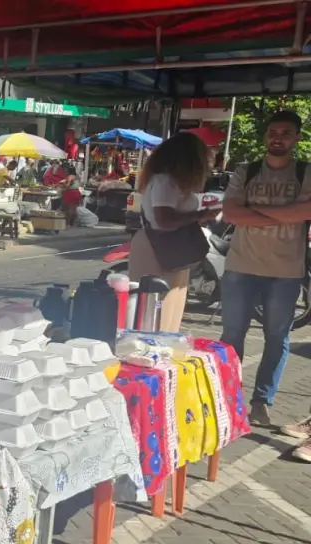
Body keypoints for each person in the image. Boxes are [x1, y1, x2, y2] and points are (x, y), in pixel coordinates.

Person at [219, 110, 311, 437]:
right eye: (273, 131)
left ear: (296, 137)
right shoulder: (247, 171)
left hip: (285, 272)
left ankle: (261, 401)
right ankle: (228, 399)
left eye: (286, 132)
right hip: (241, 267)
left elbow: (306, 211)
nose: (278, 136)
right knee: (231, 337)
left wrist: (253, 214)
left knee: (276, 338)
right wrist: (285, 216)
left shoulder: (305, 173)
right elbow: (230, 212)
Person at [128, 132, 217, 333]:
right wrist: (199, 215)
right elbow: (164, 220)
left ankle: (162, 345)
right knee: (157, 306)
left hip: (171, 247)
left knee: (170, 305)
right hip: (158, 247)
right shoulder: (164, 181)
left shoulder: (171, 182)